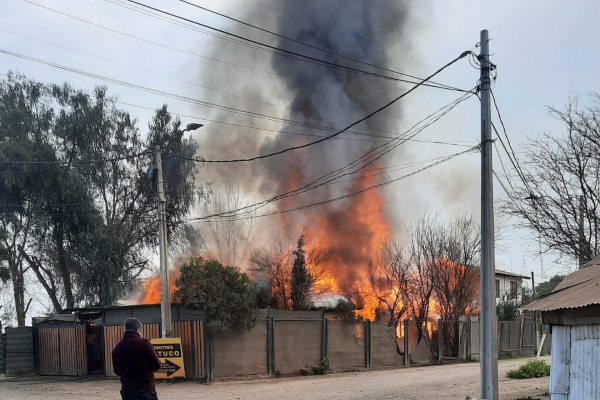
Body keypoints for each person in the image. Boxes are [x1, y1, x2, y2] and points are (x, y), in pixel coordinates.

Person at [112, 318, 161, 400]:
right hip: (145, 389)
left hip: (127, 390)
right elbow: (157, 365)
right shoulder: (145, 344)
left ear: (125, 329)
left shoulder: (117, 347)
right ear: (139, 329)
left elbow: (117, 371)